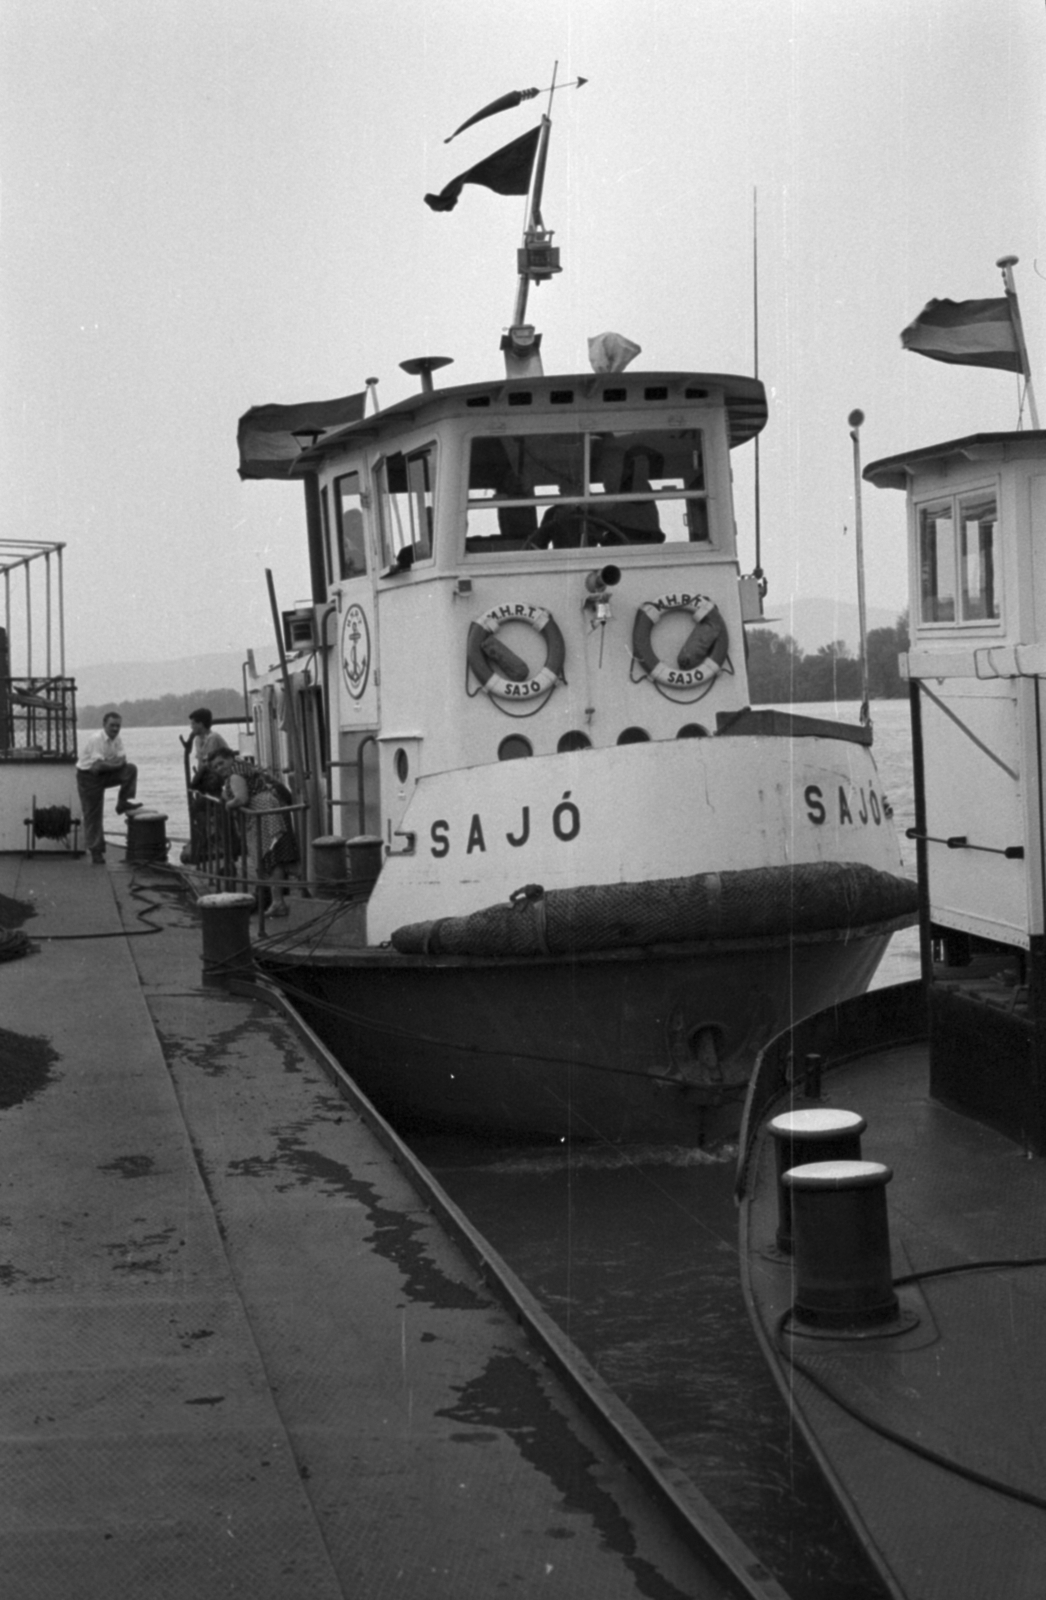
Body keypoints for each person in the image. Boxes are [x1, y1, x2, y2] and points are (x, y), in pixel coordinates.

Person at [211, 750, 299, 915]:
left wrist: (228, 805)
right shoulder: (243, 767)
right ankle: (286, 897)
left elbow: (242, 798)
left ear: (230, 759)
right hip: (271, 810)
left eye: (221, 763)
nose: (219, 768)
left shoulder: (235, 775)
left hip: (264, 815)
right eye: (215, 766)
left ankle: (278, 902)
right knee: (277, 857)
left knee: (270, 858)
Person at [76, 711, 141, 863]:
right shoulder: (96, 739)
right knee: (93, 815)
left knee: (131, 769)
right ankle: (96, 851)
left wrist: (111, 764)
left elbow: (122, 760)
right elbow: (97, 767)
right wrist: (115, 763)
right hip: (88, 778)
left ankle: (122, 802)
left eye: (118, 726)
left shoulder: (117, 739)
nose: (115, 729)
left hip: (105, 773)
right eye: (112, 725)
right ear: (104, 725)